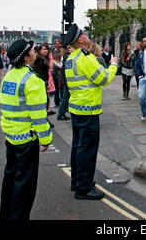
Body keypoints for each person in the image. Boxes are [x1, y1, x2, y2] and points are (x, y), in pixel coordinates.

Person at [0, 39, 52, 220]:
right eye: (32, 51)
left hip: (11, 137)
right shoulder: (32, 80)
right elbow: (38, 116)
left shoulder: (8, 77)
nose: (35, 53)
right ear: (26, 58)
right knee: (24, 188)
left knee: (10, 180)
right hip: (27, 141)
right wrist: (45, 139)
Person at [64, 24, 118, 201]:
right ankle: (84, 188)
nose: (86, 35)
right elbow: (102, 79)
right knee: (87, 149)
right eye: (84, 34)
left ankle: (77, 181)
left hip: (76, 108)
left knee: (78, 147)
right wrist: (113, 66)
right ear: (80, 40)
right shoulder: (85, 57)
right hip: (88, 109)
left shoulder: (70, 58)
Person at [33, 43, 55, 128]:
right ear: (39, 50)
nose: (45, 51)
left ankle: (45, 119)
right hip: (42, 81)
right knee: (44, 101)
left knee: (46, 101)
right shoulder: (39, 59)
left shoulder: (43, 58)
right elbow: (38, 71)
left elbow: (50, 67)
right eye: (43, 49)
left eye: (46, 49)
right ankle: (44, 120)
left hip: (44, 81)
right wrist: (44, 82)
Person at [56, 45, 73, 121]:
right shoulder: (68, 57)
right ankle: (61, 114)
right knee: (65, 97)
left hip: (66, 80)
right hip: (67, 80)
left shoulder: (66, 57)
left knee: (66, 97)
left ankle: (62, 113)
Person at [52, 39, 62, 107]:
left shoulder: (62, 51)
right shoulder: (53, 51)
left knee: (60, 88)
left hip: (59, 72)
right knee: (55, 88)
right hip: (53, 71)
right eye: (56, 44)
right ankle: (56, 102)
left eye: (58, 44)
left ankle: (61, 102)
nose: (57, 45)